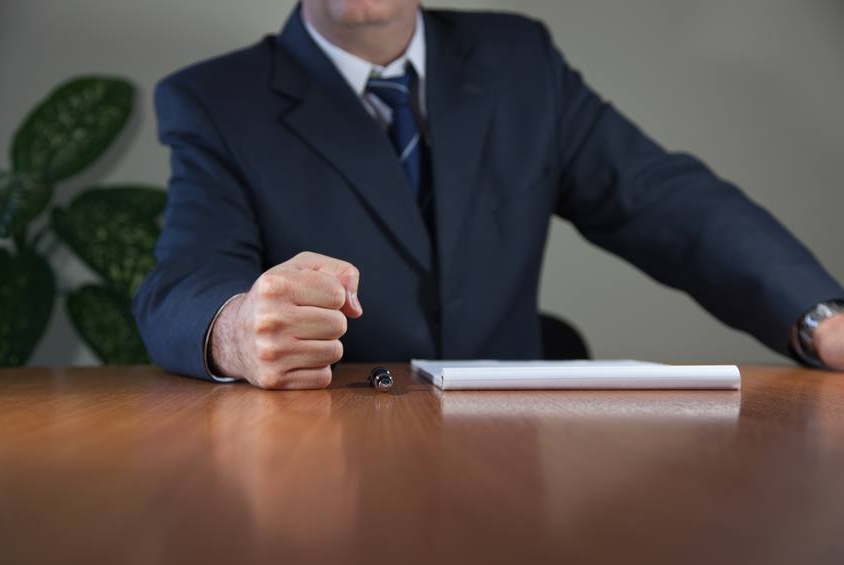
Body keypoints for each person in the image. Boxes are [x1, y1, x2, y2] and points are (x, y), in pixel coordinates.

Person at [133, 0, 844, 389]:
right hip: (325, 458)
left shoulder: (519, 60)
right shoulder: (214, 100)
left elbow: (663, 199)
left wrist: (818, 317)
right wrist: (236, 328)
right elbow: (184, 279)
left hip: (514, 453)